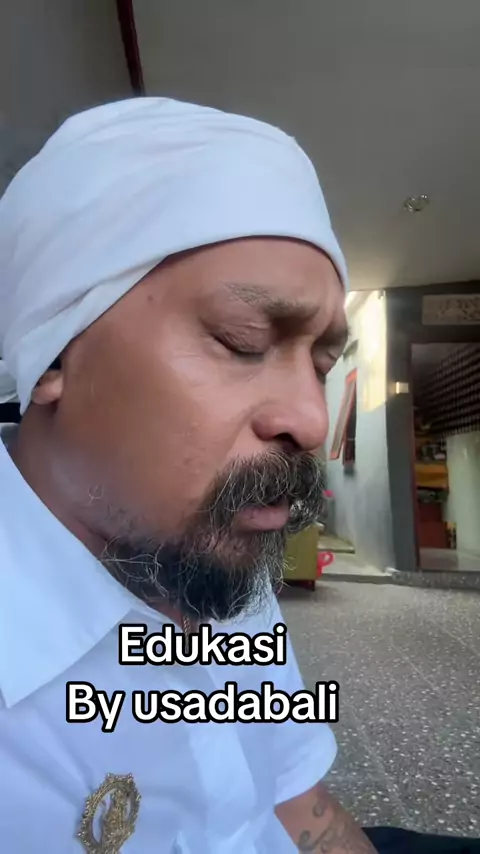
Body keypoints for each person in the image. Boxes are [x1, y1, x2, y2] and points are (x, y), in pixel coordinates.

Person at [0, 98, 477, 854]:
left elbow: (299, 807)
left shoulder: (220, 567)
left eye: (322, 364)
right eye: (243, 340)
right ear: (56, 352)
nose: (312, 421)